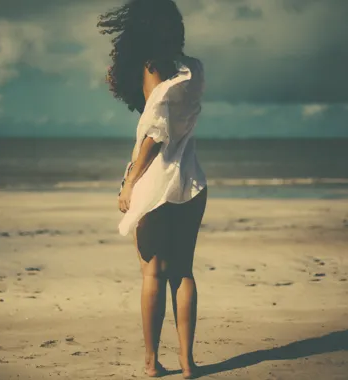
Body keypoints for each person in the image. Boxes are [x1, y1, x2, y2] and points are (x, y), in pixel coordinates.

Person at [98, 0, 208, 378]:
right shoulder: (195, 69)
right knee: (184, 272)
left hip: (155, 180)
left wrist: (129, 181)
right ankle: (187, 362)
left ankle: (150, 362)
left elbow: (156, 134)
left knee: (152, 274)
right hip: (191, 179)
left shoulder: (151, 67)